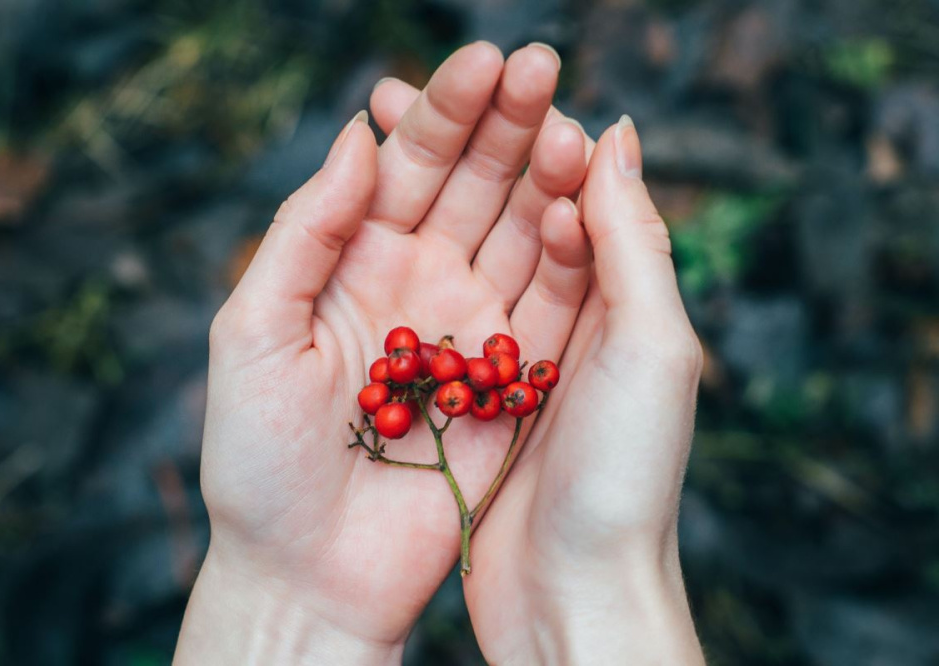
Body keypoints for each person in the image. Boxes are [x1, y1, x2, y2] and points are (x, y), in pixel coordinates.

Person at [173, 41, 706, 665]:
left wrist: (281, 602)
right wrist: (598, 598)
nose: (427, 384)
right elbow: (424, 389)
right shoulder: (427, 396)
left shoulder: (441, 393)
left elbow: (436, 387)